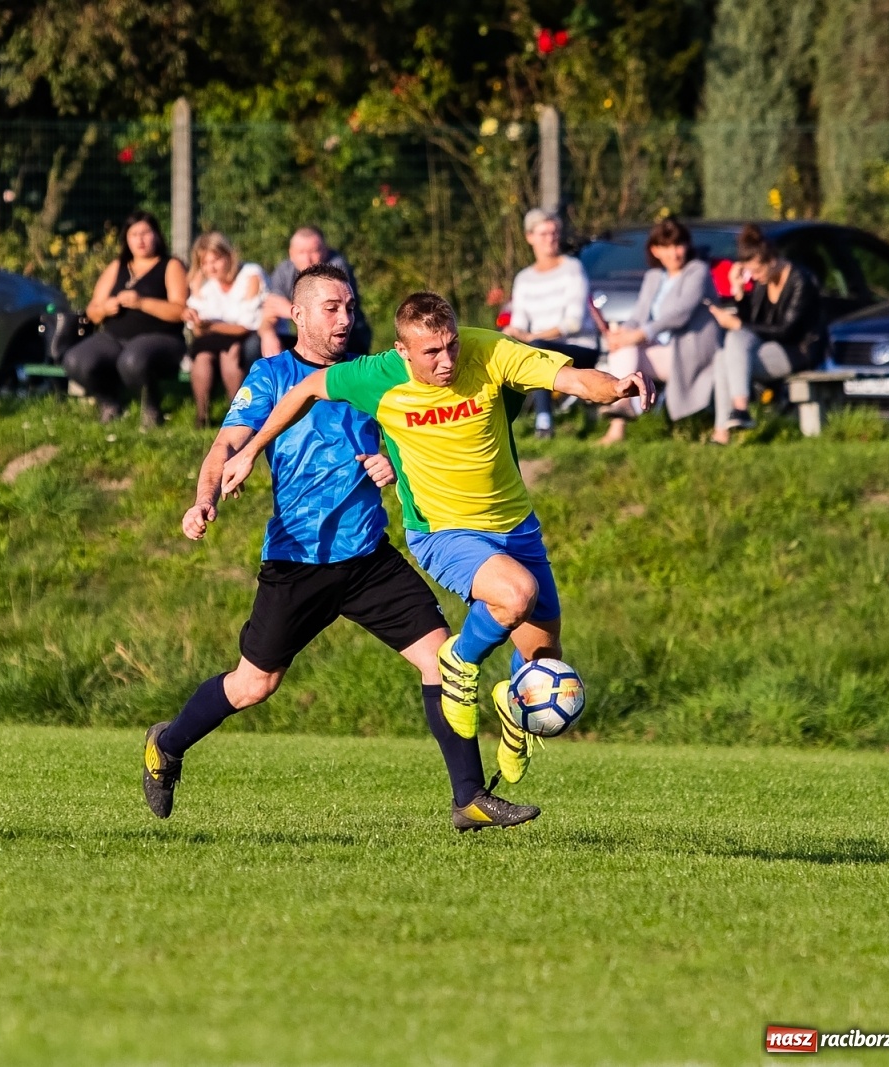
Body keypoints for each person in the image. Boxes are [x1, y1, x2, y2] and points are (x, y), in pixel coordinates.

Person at [143, 265, 540, 833]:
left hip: (368, 557)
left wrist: (389, 462)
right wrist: (204, 498)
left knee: (443, 661)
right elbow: (225, 445)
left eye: (349, 307)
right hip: (298, 561)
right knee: (254, 684)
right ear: (298, 314)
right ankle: (167, 744)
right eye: (331, 308)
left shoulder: (371, 376)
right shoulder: (273, 375)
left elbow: (416, 438)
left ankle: (469, 798)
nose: (344, 318)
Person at [220, 292, 651, 788]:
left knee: (541, 664)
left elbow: (571, 378)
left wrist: (615, 387)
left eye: (451, 346)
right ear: (403, 351)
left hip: (516, 527)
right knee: (516, 595)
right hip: (443, 531)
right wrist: (250, 451)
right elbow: (306, 389)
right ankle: (460, 664)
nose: (447, 361)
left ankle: (515, 714)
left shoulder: (490, 351)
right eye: (432, 352)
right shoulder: (376, 375)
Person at [595, 217, 721, 444]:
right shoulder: (654, 276)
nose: (674, 253)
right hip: (658, 349)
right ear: (655, 250)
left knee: (627, 347)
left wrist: (639, 335)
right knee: (622, 348)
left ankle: (620, 419)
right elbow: (638, 315)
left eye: (678, 245)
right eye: (667, 247)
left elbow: (680, 314)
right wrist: (622, 334)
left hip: (688, 351)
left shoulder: (698, 271)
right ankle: (621, 414)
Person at [65, 211, 189, 427]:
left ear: (157, 235)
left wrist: (142, 302)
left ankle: (151, 407)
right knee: (75, 360)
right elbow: (92, 311)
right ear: (126, 239)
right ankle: (109, 403)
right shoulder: (117, 266)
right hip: (114, 338)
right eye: (134, 234)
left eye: (145, 233)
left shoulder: (171, 265)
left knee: (131, 361)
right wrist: (105, 309)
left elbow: (180, 310)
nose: (140, 240)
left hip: (162, 338)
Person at [707, 224, 823, 444]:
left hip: (797, 350)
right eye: (750, 272)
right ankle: (726, 427)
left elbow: (786, 330)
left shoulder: (801, 281)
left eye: (757, 271)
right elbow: (751, 322)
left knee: (730, 351)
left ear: (772, 260)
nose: (754, 276)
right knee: (724, 353)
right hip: (768, 346)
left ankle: (735, 415)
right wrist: (738, 292)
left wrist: (737, 323)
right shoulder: (763, 280)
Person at [502, 208, 598, 439]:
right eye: (544, 234)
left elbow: (573, 323)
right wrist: (512, 332)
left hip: (579, 346)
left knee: (539, 350)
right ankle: (501, 421)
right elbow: (520, 321)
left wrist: (532, 337)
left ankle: (544, 421)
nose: (550, 239)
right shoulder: (523, 279)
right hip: (540, 344)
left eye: (554, 233)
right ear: (530, 237)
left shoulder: (572, 268)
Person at [183, 231, 266, 428]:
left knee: (231, 353)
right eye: (204, 263)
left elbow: (246, 325)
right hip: (216, 336)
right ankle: (202, 416)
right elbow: (198, 331)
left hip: (248, 335)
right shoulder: (204, 284)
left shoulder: (251, 275)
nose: (210, 267)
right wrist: (195, 302)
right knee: (202, 356)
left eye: (216, 260)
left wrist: (210, 325)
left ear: (229, 256)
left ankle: (236, 413)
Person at [258, 226, 373, 358]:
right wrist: (268, 334)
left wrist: (290, 310)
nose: (307, 259)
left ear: (325, 251)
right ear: (291, 253)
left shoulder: (336, 269)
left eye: (313, 251)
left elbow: (328, 314)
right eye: (301, 252)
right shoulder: (284, 272)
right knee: (258, 345)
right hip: (309, 339)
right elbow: (269, 312)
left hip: (348, 336)